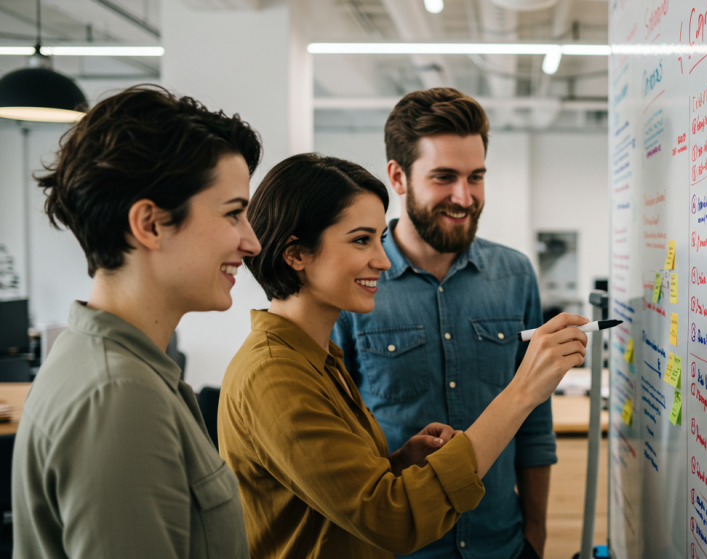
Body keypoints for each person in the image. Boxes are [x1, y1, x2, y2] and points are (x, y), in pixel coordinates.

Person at [218, 153, 587, 559]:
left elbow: (337, 500)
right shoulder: (274, 374)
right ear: (296, 254)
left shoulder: (317, 357)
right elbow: (390, 518)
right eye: (361, 240)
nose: (382, 260)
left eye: (379, 238)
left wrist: (397, 464)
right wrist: (522, 392)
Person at [12, 85, 262, 558]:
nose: (251, 243)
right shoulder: (118, 397)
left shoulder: (117, 366)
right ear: (149, 224)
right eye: (234, 214)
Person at [331, 88, 552, 559]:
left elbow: (534, 425)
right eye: (444, 177)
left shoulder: (515, 276)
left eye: (476, 177)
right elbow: (340, 441)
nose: (464, 196)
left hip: (502, 544)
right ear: (398, 177)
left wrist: (536, 535)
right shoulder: (352, 286)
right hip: (399, 550)